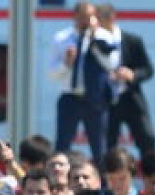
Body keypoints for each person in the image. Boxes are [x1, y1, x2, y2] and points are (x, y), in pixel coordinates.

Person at [50, 2, 117, 161]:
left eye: (89, 17)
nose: (85, 21)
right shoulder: (62, 38)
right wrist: (66, 63)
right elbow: (52, 73)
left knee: (99, 147)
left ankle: (102, 182)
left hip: (95, 99)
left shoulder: (105, 37)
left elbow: (112, 66)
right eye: (82, 17)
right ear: (75, 17)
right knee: (62, 145)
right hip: (70, 97)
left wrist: (94, 41)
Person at [96, 4, 155, 160]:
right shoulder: (92, 42)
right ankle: (107, 178)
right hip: (107, 100)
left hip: (130, 97)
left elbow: (148, 69)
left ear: (112, 18)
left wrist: (132, 74)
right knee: (108, 143)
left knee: (147, 138)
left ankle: (153, 174)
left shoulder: (132, 40)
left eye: (103, 18)